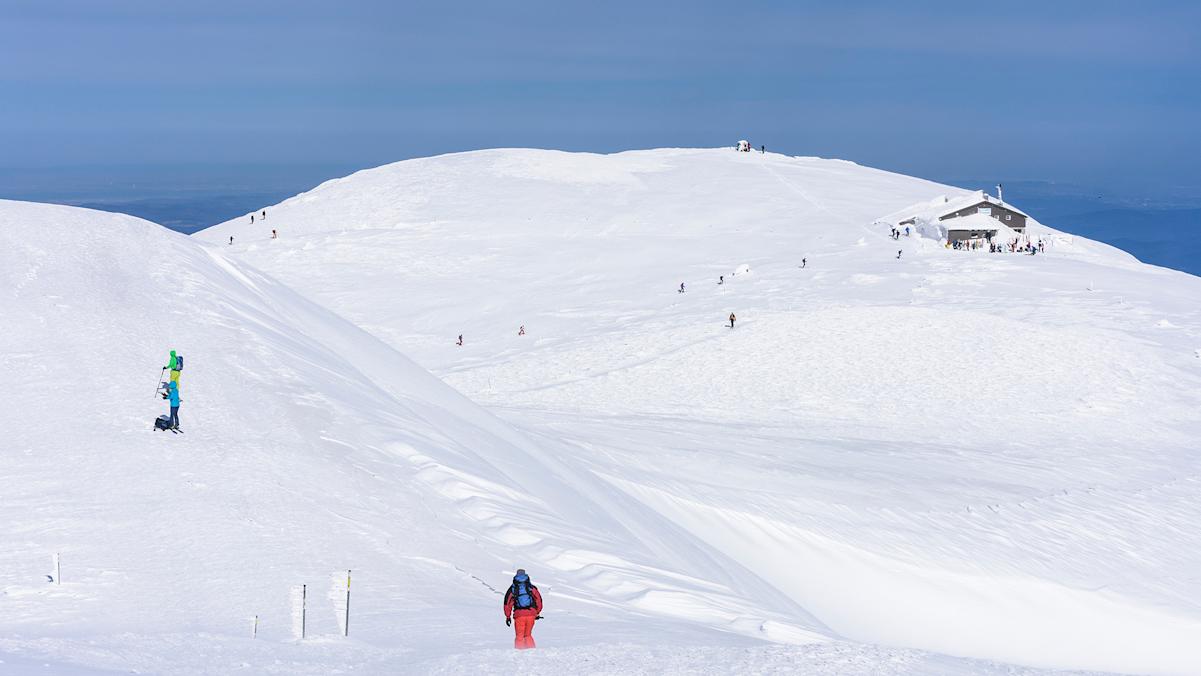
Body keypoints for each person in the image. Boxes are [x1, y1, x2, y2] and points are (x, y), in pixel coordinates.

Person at [503, 569, 543, 649]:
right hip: (531, 614)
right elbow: (539, 600)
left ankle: (519, 654)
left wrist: (508, 616)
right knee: (528, 635)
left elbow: (507, 603)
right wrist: (537, 612)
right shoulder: (531, 587)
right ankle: (532, 653)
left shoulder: (513, 589)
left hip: (519, 615)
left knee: (519, 636)